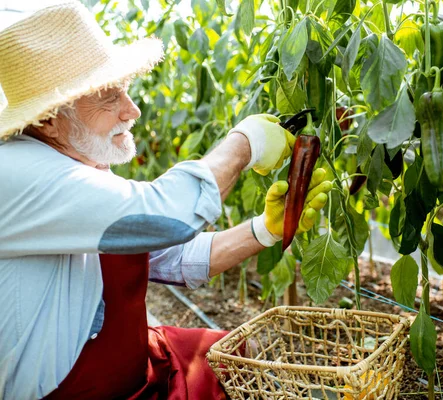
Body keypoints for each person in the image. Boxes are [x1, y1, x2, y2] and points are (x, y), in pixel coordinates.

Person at [0, 2, 331, 399]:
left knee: (231, 354)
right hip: (78, 392)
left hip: (133, 369)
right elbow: (163, 216)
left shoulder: (74, 159)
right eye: (108, 96)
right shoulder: (17, 173)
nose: (132, 110)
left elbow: (165, 255)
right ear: (48, 119)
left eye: (125, 89)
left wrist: (264, 229)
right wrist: (246, 143)